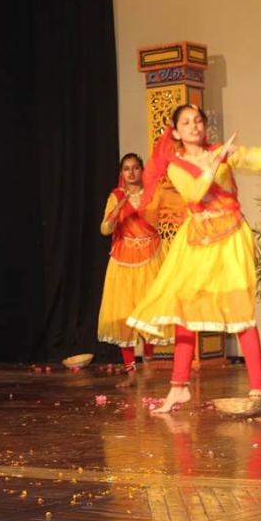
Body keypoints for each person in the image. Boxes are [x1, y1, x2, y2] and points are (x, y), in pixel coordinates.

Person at [128, 84, 261, 413]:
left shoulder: (224, 151)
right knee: (185, 310)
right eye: (186, 122)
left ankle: (257, 390)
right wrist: (213, 163)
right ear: (176, 132)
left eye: (198, 120)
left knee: (240, 311)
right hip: (196, 240)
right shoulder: (177, 164)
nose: (194, 126)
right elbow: (193, 195)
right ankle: (178, 388)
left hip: (231, 235)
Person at [97, 153, 171, 387]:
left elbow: (170, 212)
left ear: (142, 171)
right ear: (122, 173)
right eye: (126, 168)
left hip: (151, 256)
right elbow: (105, 229)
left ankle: (148, 359)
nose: (131, 172)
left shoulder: (154, 192)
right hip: (123, 261)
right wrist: (120, 205)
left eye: (135, 167)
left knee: (149, 312)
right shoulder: (115, 196)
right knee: (124, 318)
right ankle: (130, 373)